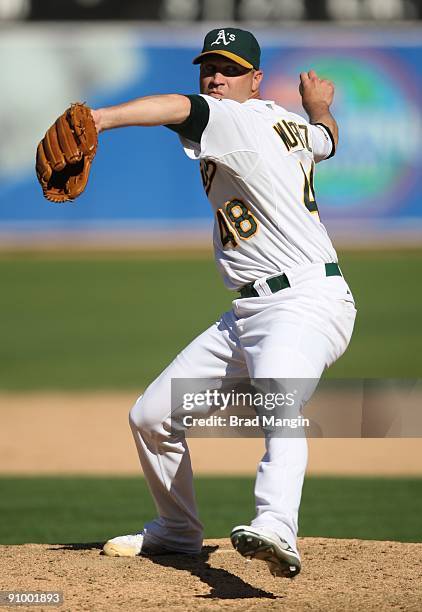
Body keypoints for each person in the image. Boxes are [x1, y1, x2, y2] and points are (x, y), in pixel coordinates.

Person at [95, 27, 356, 578]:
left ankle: (278, 525)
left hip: (305, 302)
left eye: (231, 69)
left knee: (279, 403)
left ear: (255, 80)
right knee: (151, 417)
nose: (216, 77)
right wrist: (319, 109)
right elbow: (325, 141)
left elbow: (175, 106)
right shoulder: (287, 122)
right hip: (249, 313)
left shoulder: (235, 117)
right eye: (209, 66)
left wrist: (99, 120)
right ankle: (177, 530)